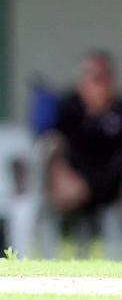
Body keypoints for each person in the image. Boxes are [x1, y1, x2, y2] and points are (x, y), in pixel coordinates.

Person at [45, 51, 122, 219]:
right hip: (74, 181)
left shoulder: (118, 112)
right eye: (89, 78)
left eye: (100, 79)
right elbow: (54, 144)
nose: (94, 86)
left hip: (111, 185)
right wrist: (59, 173)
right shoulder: (69, 109)